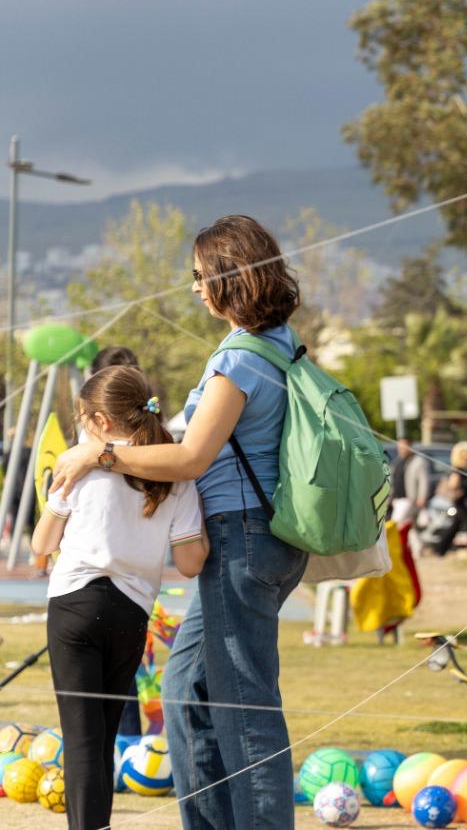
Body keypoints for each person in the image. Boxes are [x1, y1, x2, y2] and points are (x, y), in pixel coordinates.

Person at [52, 213, 310, 829]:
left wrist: (101, 452)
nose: (194, 287)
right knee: (186, 690)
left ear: (228, 276)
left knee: (244, 710)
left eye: (200, 275)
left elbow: (192, 456)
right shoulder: (279, 343)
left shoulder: (240, 359)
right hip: (258, 539)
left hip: (243, 538)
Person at [33, 365, 209, 830]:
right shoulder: (175, 471)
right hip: (131, 612)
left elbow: (41, 543)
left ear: (101, 421)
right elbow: (191, 562)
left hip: (74, 604)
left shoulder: (77, 462)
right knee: (105, 734)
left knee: (82, 738)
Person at [85, 343, 152, 743]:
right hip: (134, 583)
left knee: (112, 674)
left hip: (105, 582)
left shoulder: (89, 454)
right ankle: (122, 749)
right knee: (121, 672)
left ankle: (119, 750)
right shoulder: (160, 450)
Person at [396, 437, 433, 505]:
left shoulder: (418, 461)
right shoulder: (398, 461)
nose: (400, 449)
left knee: (399, 516)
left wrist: (422, 497)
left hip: (410, 500)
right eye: (399, 447)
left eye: (403, 446)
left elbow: (424, 480)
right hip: (397, 499)